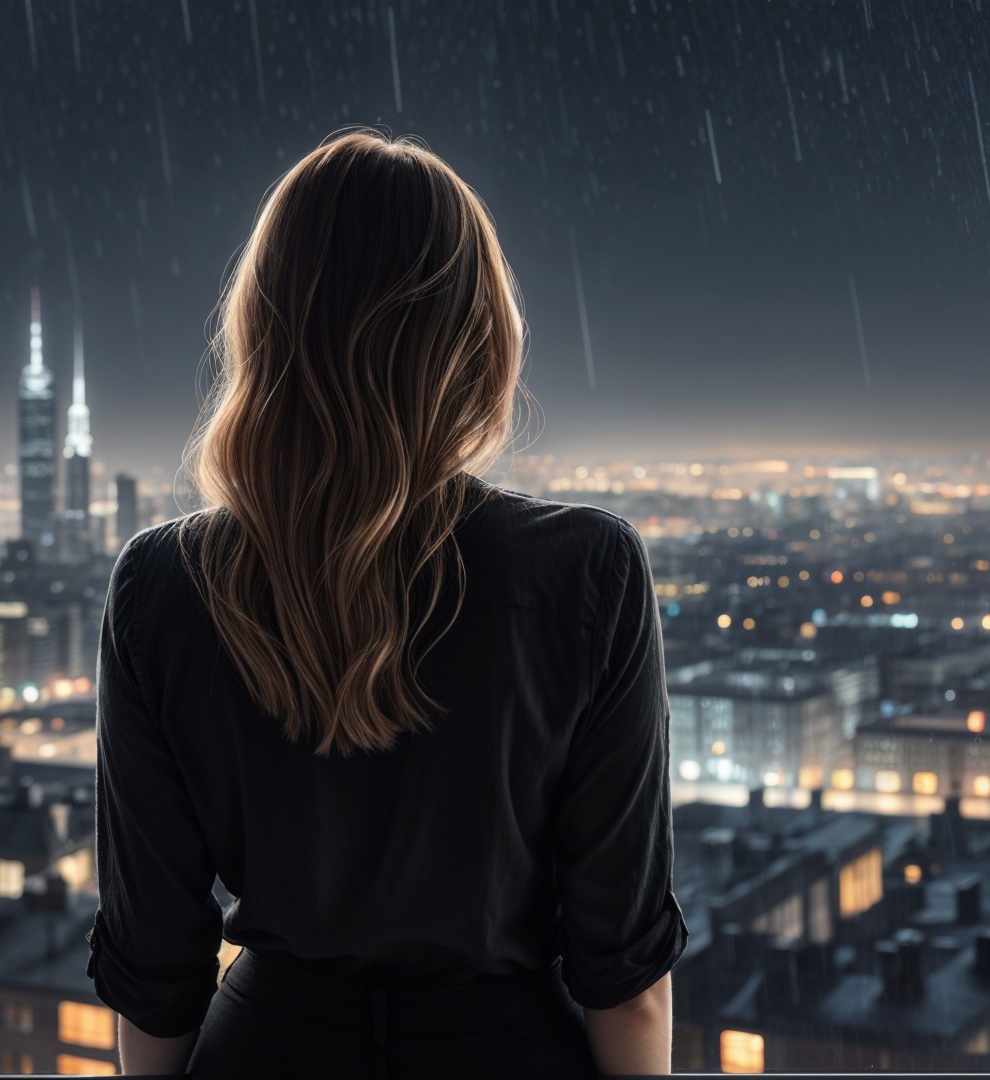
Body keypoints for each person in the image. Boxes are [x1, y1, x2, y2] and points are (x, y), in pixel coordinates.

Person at [86, 128, 687, 1078]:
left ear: (267, 326)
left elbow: (155, 961)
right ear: (479, 337)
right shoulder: (586, 572)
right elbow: (627, 978)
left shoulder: (163, 586)